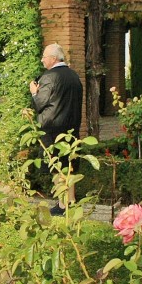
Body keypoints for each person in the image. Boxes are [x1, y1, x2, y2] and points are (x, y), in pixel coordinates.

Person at [29, 43, 83, 215]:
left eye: (44, 57)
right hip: (71, 127)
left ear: (53, 58)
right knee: (69, 165)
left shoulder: (49, 77)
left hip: (52, 128)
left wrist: (34, 92)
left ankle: (62, 204)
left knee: (56, 166)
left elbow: (40, 103)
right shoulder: (74, 76)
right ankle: (70, 202)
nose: (42, 60)